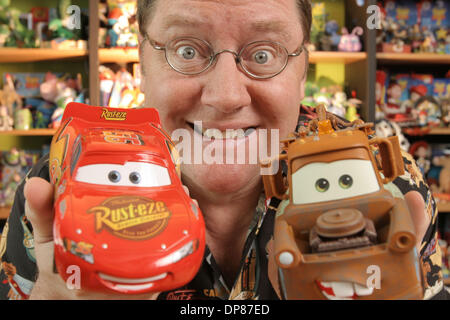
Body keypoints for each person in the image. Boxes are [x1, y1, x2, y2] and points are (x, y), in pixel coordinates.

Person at [0, 0, 446, 300]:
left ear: (302, 69)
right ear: (142, 63)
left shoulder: (381, 177)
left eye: (265, 54)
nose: (225, 96)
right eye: (187, 49)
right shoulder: (58, 189)